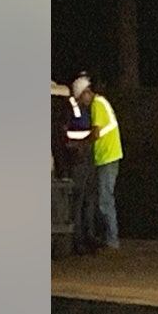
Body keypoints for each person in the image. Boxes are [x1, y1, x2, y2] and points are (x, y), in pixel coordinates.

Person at [73, 76, 123, 252]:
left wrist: (81, 144)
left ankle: (112, 240)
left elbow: (96, 133)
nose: (82, 104)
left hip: (107, 156)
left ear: (86, 93)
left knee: (104, 200)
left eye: (81, 99)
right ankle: (110, 238)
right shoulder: (100, 103)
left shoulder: (97, 104)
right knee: (104, 198)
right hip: (107, 155)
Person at [67, 74, 98, 255]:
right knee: (79, 200)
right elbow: (74, 132)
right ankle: (78, 240)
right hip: (79, 155)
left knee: (88, 198)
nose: (91, 95)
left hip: (84, 155)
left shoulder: (85, 110)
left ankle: (87, 237)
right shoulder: (74, 109)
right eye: (87, 92)